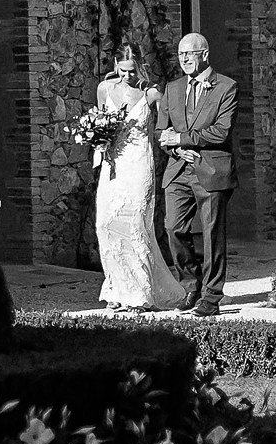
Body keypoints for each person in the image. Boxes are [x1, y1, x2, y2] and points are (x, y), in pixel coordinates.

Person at [92, 41, 180, 311]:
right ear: (115, 65)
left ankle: (140, 294)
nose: (127, 76)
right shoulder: (104, 88)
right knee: (105, 223)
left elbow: (165, 124)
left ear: (140, 66)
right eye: (122, 70)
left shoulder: (152, 94)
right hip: (113, 163)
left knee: (136, 224)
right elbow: (98, 121)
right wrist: (97, 139)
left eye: (132, 71)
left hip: (139, 162)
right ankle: (116, 288)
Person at [158, 32, 239, 317]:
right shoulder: (173, 88)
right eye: (180, 54)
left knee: (212, 234)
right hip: (179, 168)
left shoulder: (226, 87)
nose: (184, 59)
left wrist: (181, 139)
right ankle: (191, 284)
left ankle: (212, 296)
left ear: (204, 54)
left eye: (189, 54)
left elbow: (221, 130)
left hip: (211, 169)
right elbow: (161, 132)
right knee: (173, 227)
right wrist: (178, 151)